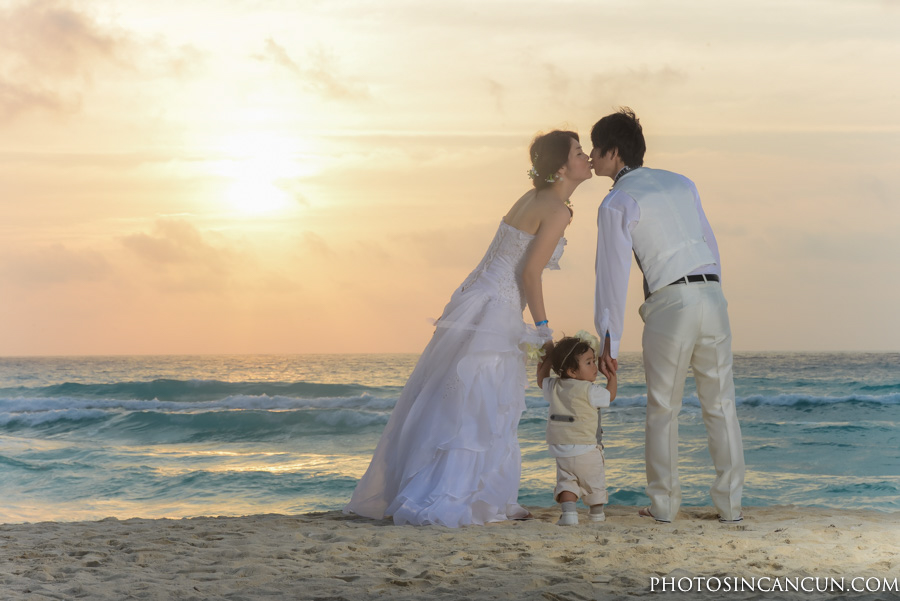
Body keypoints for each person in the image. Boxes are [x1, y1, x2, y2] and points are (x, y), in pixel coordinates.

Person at [344, 130, 593, 527]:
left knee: (458, 399)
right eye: (580, 153)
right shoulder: (556, 209)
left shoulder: (531, 198)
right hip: (497, 306)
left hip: (476, 297)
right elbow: (530, 273)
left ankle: (467, 492)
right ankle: (460, 496)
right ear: (562, 166)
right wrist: (543, 329)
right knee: (479, 403)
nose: (588, 159)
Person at [590, 108, 744, 523]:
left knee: (663, 408)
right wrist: (715, 294)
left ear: (614, 152)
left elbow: (612, 275)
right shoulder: (683, 182)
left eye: (595, 149)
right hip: (712, 294)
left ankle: (664, 506)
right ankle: (730, 507)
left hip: (670, 303)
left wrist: (609, 340)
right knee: (721, 405)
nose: (590, 157)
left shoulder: (616, 201)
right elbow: (708, 241)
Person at [537, 333, 617, 526]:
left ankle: (569, 514)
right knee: (594, 481)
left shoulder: (554, 386)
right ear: (572, 371)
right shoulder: (590, 391)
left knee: (567, 481)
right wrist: (612, 376)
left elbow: (541, 379)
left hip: (560, 448)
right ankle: (597, 515)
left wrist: (547, 359)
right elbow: (610, 396)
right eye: (589, 363)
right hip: (586, 449)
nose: (595, 367)